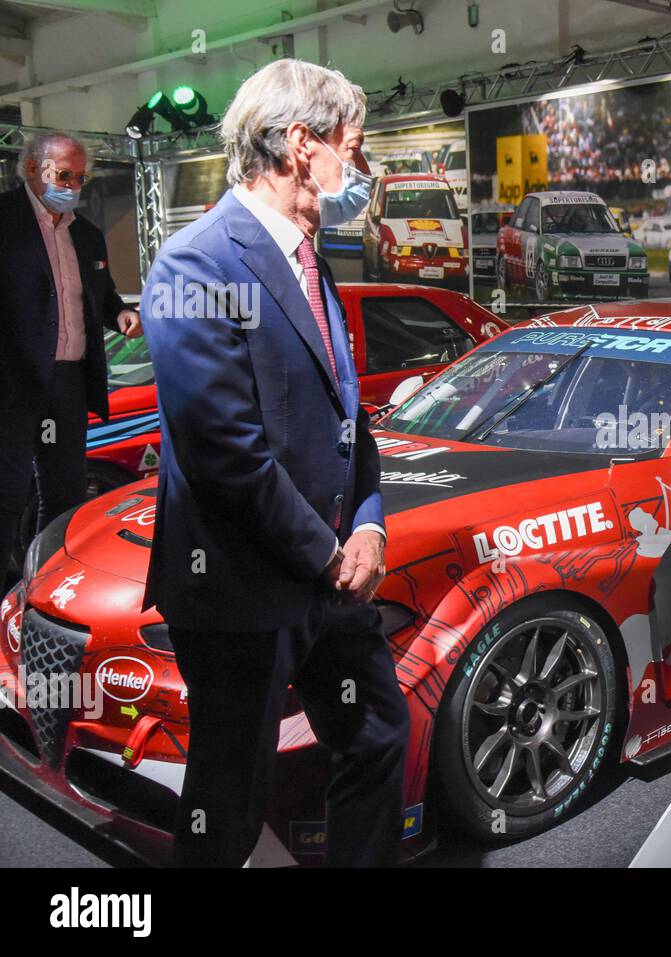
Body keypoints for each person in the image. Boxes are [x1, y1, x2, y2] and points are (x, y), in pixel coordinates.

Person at [141, 59, 409, 866]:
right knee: (227, 805)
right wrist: (328, 553)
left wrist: (369, 524)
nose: (361, 172)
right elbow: (229, 456)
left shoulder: (311, 257)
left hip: (329, 582)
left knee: (378, 735)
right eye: (353, 150)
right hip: (241, 590)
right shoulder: (196, 265)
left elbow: (344, 417)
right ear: (302, 145)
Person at [0, 132, 142, 580]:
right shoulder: (5, 220)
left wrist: (119, 313)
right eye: (64, 175)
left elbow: (101, 296)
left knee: (64, 495)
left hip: (68, 383)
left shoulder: (86, 233)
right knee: (7, 497)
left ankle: (45, 585)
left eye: (81, 177)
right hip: (12, 386)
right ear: (32, 170)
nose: (73, 185)